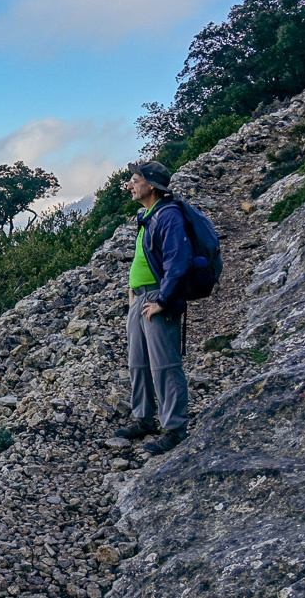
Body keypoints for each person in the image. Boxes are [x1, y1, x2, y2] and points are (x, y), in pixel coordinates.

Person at [114, 161, 192, 454]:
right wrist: (133, 294)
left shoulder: (168, 216)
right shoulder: (147, 215)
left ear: (152, 186)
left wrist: (162, 300)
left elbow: (178, 260)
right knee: (138, 362)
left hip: (158, 297)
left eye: (135, 180)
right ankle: (144, 419)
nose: (130, 185)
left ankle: (174, 428)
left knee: (165, 365)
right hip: (140, 297)